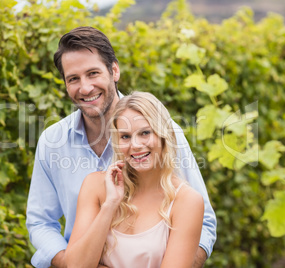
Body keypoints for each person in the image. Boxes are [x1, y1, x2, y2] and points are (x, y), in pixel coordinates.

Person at [26, 26, 216, 268]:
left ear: (114, 70)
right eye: (73, 79)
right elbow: (41, 222)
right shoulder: (52, 142)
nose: (85, 88)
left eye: (93, 73)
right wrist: (71, 263)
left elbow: (204, 223)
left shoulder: (166, 134)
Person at [65, 91, 204, 268]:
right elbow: (75, 265)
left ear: (163, 135)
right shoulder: (95, 186)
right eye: (125, 136)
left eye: (145, 133)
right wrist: (109, 205)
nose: (135, 145)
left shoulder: (186, 201)